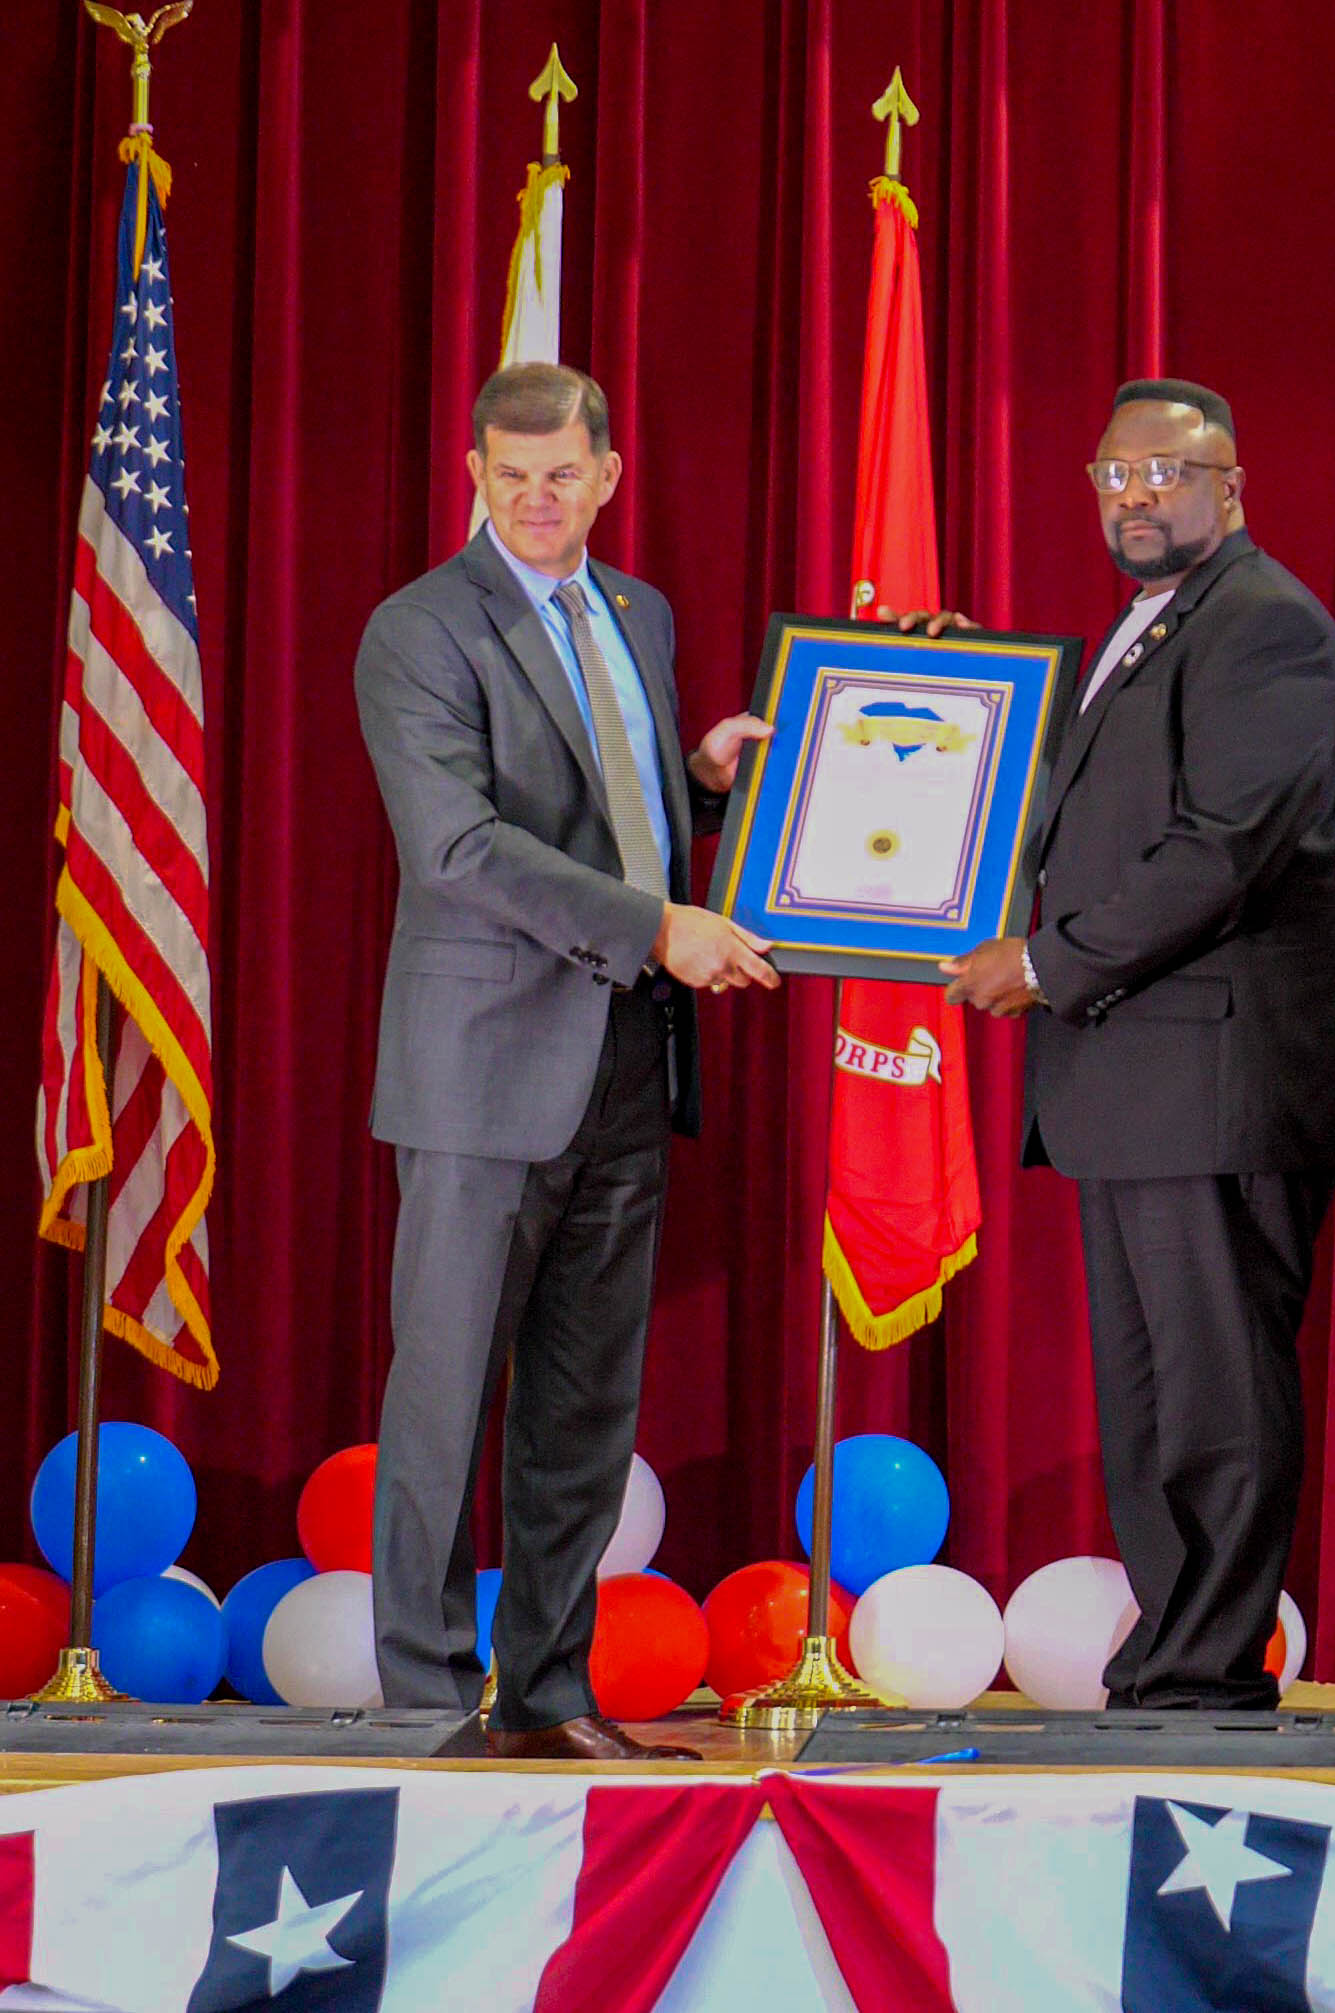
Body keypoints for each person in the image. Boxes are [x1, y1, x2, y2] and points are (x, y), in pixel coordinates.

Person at [354, 362, 776, 1761]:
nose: (536, 499)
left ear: (607, 474)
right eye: (509, 473)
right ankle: (424, 1697)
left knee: (585, 1400)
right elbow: (463, 850)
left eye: (561, 474)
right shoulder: (420, 628)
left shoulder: (637, 612)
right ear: (473, 473)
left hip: (629, 1057)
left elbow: (612, 810)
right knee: (446, 1386)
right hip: (483, 1071)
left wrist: (703, 782)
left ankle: (547, 1691)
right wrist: (662, 923)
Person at [936, 378, 1335, 1709]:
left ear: (1230, 488)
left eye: (1167, 475)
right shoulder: (1143, 631)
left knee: (1216, 1392)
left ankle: (1208, 1672)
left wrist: (1050, 961)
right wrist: (955, 694)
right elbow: (1081, 810)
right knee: (1153, 1404)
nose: (1136, 496)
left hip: (1217, 1086)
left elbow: (1217, 853)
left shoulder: (1267, 630)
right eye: (1116, 474)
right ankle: (1172, 1660)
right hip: (1133, 1086)